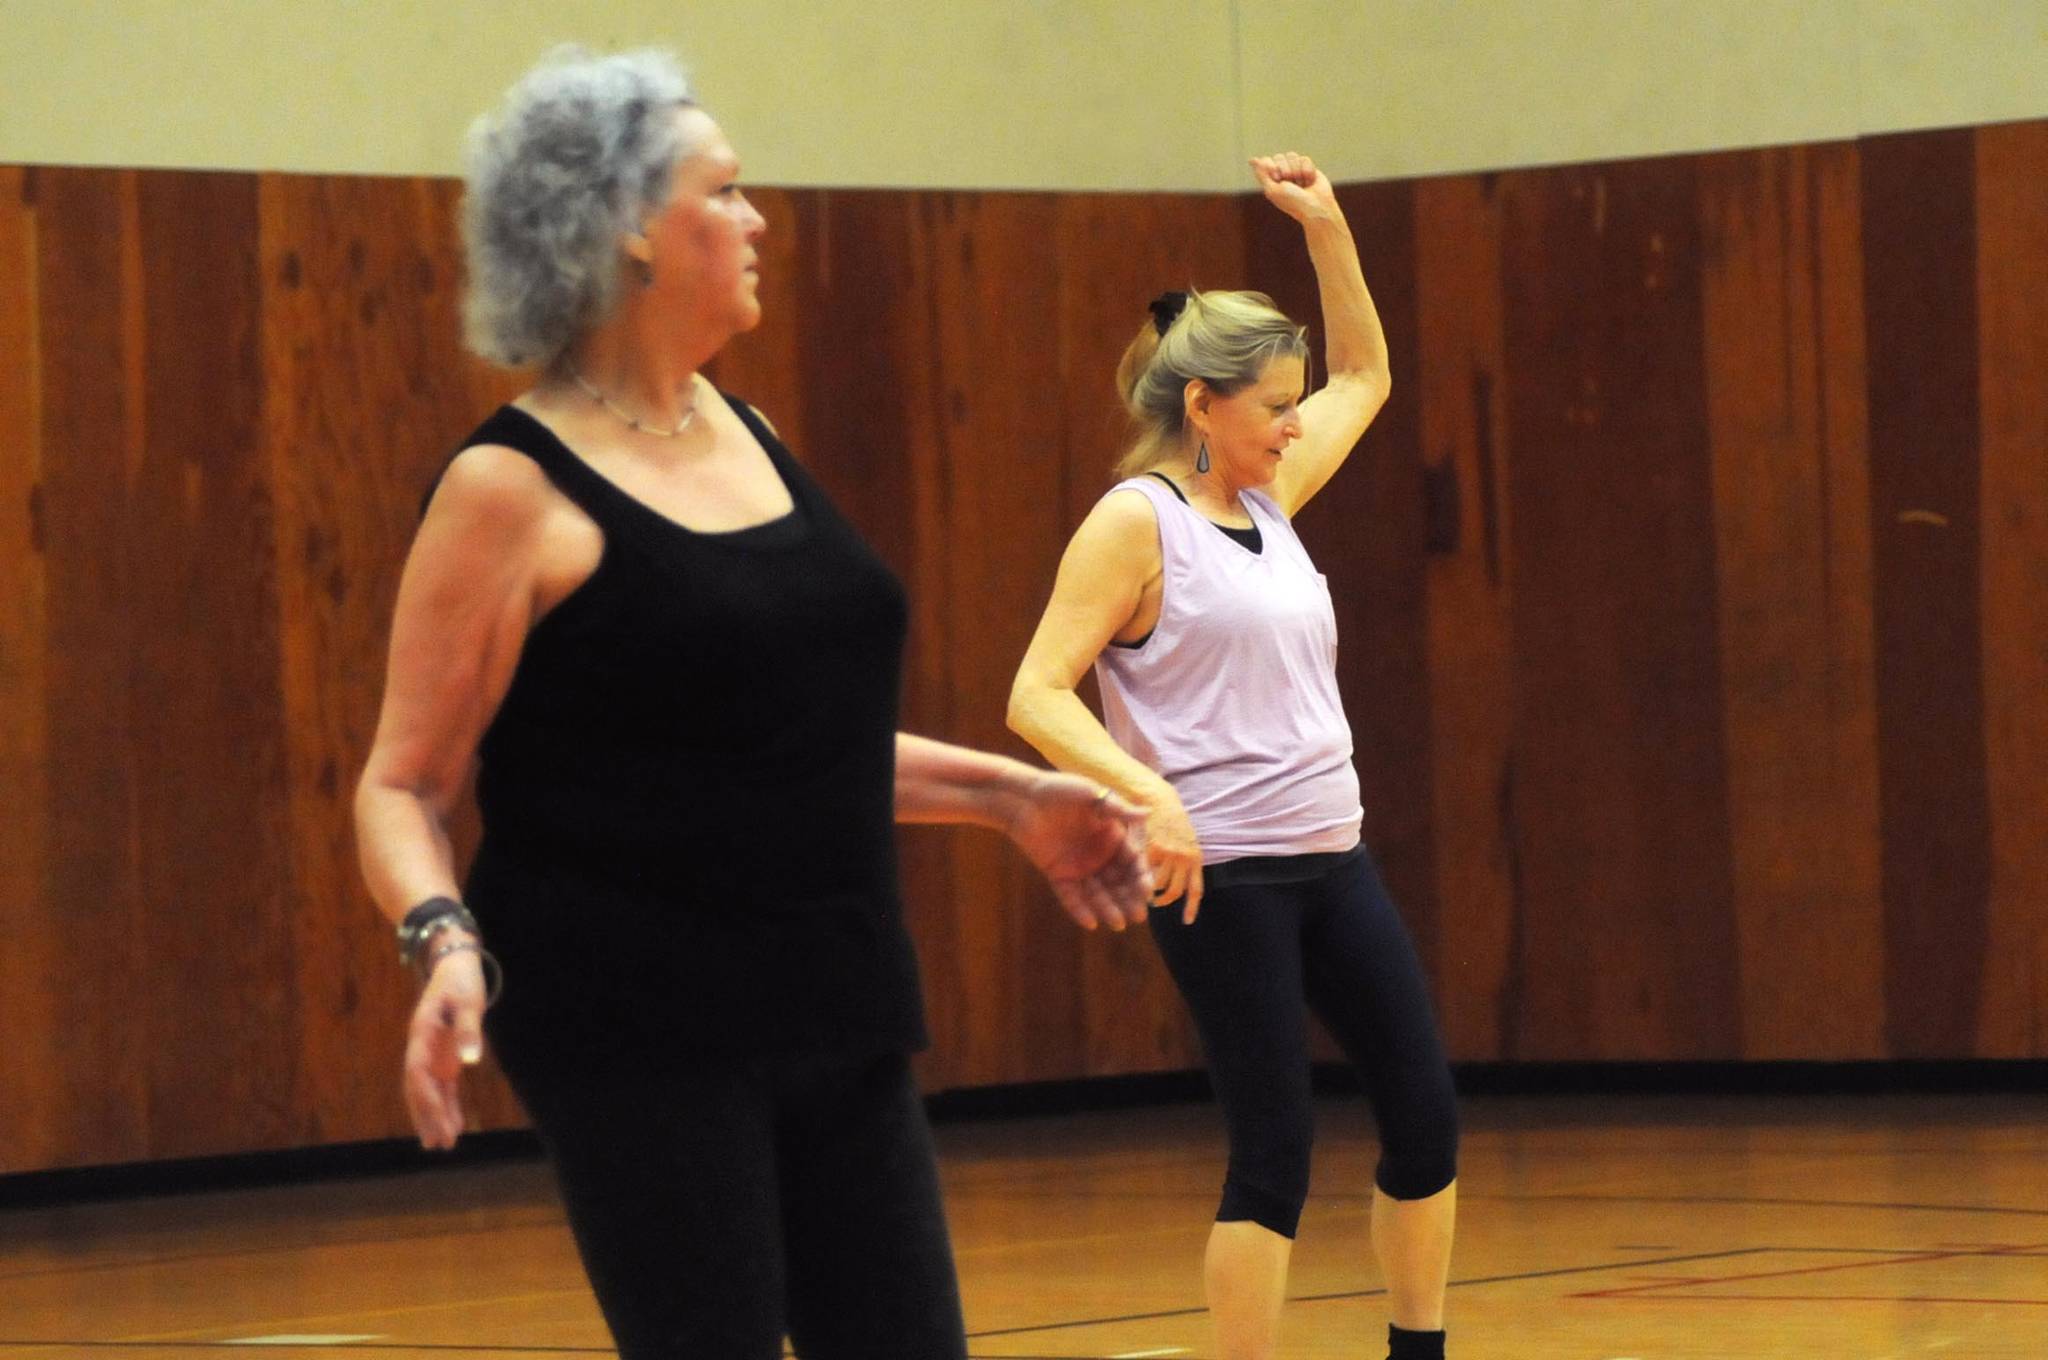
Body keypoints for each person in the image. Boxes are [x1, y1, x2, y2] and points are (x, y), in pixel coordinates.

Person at [352, 47, 1151, 1360]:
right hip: (635, 1022)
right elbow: (405, 781)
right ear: (627, 232)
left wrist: (1010, 797)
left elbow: (773, 746)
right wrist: (441, 941)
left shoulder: (751, 431)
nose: (757, 217)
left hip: (834, 995)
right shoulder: (510, 489)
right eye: (723, 192)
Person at [1007, 153, 1459, 1360]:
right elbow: (1034, 693)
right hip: (1224, 878)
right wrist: (1149, 795)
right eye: (1271, 407)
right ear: (1202, 407)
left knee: (1422, 1117)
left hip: (1332, 860)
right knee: (1275, 1151)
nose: (1294, 424)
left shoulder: (1267, 503)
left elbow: (1367, 371)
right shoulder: (1134, 522)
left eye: (1292, 405)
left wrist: (1325, 228)